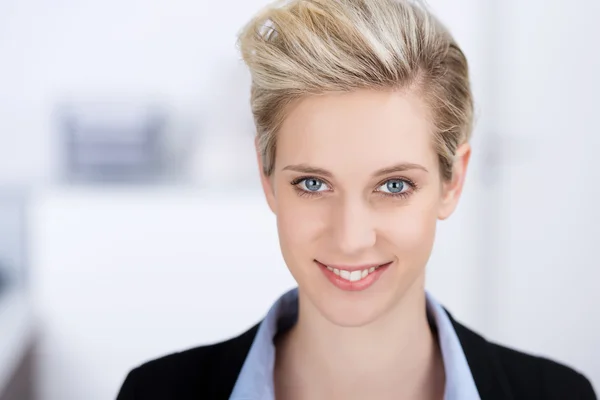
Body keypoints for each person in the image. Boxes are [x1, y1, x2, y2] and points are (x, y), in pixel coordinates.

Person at [116, 0, 597, 399]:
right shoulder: (153, 392)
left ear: (453, 182)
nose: (350, 238)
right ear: (267, 179)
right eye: (312, 184)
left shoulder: (560, 395)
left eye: (393, 186)